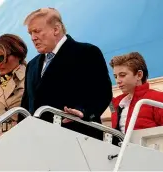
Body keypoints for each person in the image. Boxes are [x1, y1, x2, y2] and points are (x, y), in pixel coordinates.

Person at [19, 7, 113, 140]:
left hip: (79, 137)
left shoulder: (86, 52)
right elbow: (26, 106)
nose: (33, 38)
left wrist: (83, 111)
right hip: (40, 142)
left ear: (56, 29)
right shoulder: (32, 65)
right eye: (30, 33)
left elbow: (102, 92)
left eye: (37, 31)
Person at [109, 52, 163, 145]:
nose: (118, 81)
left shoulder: (158, 98)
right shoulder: (116, 104)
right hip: (121, 155)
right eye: (115, 76)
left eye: (122, 75)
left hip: (148, 155)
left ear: (139, 75)